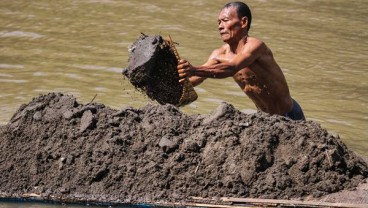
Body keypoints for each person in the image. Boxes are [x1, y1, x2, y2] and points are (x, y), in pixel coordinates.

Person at [177, 1, 305, 120]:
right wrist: (177, 79)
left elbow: (232, 67)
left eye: (225, 21)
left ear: (243, 22)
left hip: (289, 114)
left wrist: (193, 70)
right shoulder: (219, 54)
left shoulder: (255, 46)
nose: (220, 26)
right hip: (264, 118)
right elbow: (196, 78)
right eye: (218, 22)